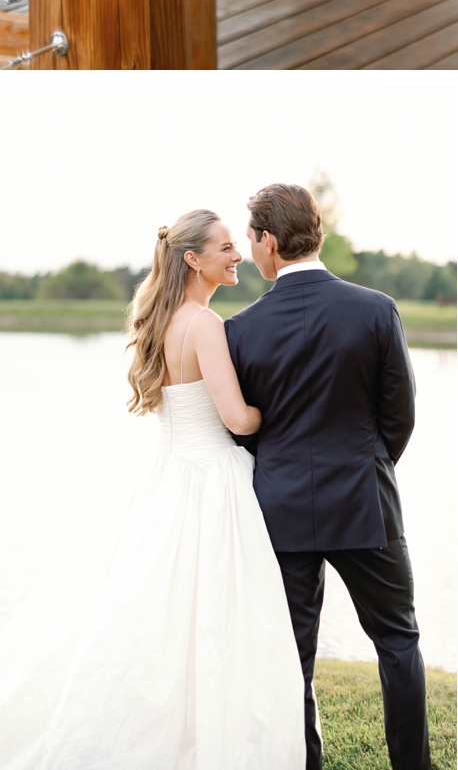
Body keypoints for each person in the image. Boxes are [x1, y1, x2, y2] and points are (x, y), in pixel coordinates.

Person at [0, 210, 305, 769]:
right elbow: (237, 420)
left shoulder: (163, 320)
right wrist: (284, 412)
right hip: (210, 481)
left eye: (238, 244)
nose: (237, 253)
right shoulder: (205, 325)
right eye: (225, 246)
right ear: (193, 258)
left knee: (159, 611)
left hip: (166, 476)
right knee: (213, 615)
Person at [226, 183, 431, 770]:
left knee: (293, 656)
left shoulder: (240, 330)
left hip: (280, 510)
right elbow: (401, 417)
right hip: (365, 503)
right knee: (398, 642)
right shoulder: (374, 308)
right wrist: (366, 464)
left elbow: (243, 433)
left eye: (250, 237)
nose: (249, 248)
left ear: (268, 240)